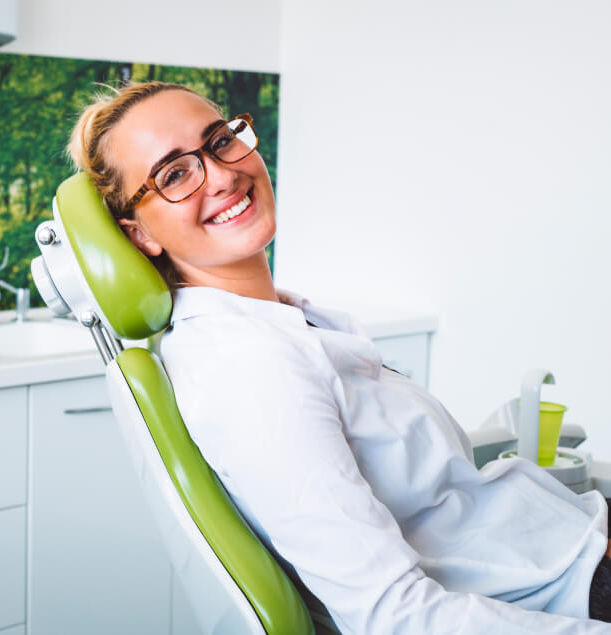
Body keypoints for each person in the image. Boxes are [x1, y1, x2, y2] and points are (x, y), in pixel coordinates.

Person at [67, 81, 611, 633]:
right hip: (563, 591)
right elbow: (393, 616)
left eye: (221, 141)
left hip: (564, 543)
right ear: (139, 236)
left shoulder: (275, 322)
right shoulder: (249, 369)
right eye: (175, 174)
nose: (224, 174)